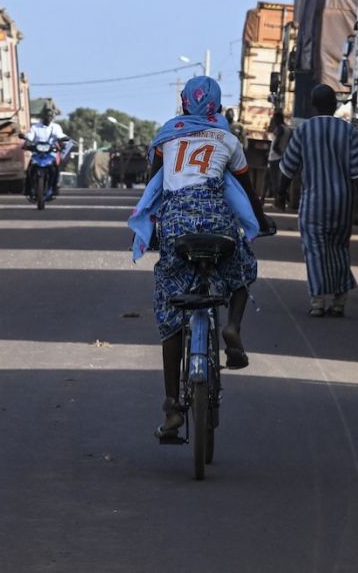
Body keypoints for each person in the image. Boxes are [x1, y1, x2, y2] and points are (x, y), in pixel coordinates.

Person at [127, 76, 273, 442]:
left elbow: (156, 185)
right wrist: (263, 221)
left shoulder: (167, 137)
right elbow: (246, 191)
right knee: (242, 270)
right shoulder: (228, 139)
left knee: (171, 308)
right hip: (218, 224)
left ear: (184, 102)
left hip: (178, 226)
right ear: (217, 104)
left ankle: (172, 405)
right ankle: (233, 327)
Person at [279, 84, 358, 317]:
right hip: (343, 203)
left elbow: (288, 167)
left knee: (315, 249)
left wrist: (280, 194)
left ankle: (318, 301)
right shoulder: (349, 132)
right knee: (339, 249)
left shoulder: (303, 131)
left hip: (314, 203)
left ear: (312, 104)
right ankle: (339, 301)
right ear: (335, 105)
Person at [25, 108, 72, 200]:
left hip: (50, 153)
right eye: (46, 116)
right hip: (37, 153)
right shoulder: (35, 127)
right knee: (29, 168)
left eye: (50, 116)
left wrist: (64, 140)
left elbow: (60, 136)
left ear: (53, 117)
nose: (48, 118)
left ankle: (54, 186)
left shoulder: (56, 127)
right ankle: (28, 188)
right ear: (42, 117)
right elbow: (30, 137)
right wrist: (26, 140)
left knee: (55, 169)